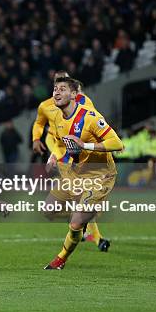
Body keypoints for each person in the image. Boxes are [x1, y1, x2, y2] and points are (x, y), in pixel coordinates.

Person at [44, 77, 123, 270]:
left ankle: (60, 259)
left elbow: (117, 144)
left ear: (74, 95)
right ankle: (84, 216)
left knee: (76, 222)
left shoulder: (90, 117)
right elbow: (63, 145)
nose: (57, 92)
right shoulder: (57, 118)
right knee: (48, 210)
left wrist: (85, 145)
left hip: (100, 175)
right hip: (76, 172)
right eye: (55, 89)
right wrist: (54, 156)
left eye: (62, 89)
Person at [32, 71, 108, 251]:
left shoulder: (84, 102)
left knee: (79, 199)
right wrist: (40, 142)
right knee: (53, 210)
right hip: (61, 154)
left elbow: (95, 122)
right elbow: (41, 126)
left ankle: (97, 238)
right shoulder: (46, 107)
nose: (59, 89)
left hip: (79, 157)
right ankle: (80, 222)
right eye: (57, 85)